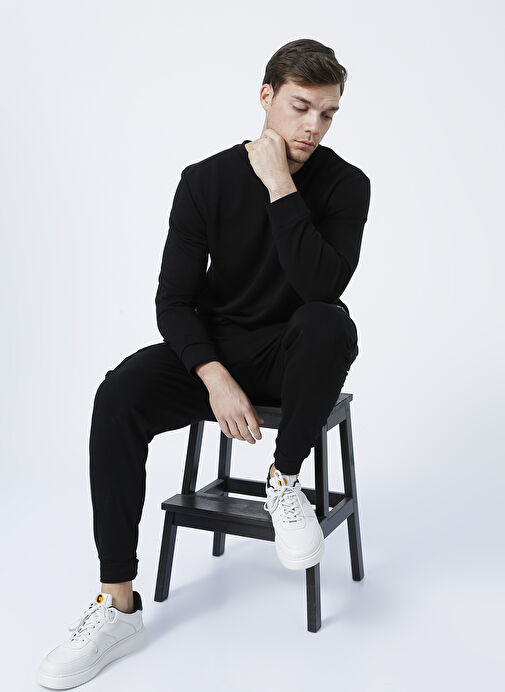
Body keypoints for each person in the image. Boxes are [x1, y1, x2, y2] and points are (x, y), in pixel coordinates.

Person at [37, 38, 371, 689]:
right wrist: (212, 376)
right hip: (219, 355)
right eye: (300, 107)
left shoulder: (345, 184)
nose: (313, 125)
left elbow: (321, 287)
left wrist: (280, 187)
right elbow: (174, 301)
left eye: (327, 113)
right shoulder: (205, 181)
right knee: (119, 395)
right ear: (266, 96)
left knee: (328, 323)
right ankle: (117, 605)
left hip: (295, 357)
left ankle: (284, 479)